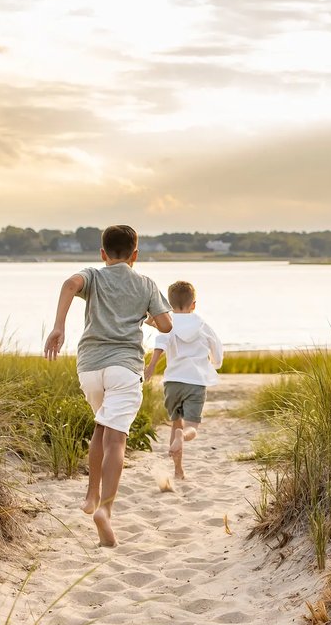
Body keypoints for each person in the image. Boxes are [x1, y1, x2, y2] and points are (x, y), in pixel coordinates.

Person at [44, 224, 171, 547]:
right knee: (116, 439)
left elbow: (70, 284)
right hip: (124, 368)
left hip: (90, 368)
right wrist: (146, 316)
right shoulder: (145, 283)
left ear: (103, 254)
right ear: (135, 255)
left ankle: (91, 493)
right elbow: (167, 325)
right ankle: (105, 510)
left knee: (101, 428)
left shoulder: (94, 276)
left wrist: (59, 326)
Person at [143, 280, 224, 482]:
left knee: (175, 423)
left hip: (172, 382)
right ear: (193, 304)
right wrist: (214, 363)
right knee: (190, 428)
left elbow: (160, 341)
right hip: (195, 382)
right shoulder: (202, 325)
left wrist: (151, 365)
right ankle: (183, 438)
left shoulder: (168, 323)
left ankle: (178, 471)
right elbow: (217, 349)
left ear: (170, 305)